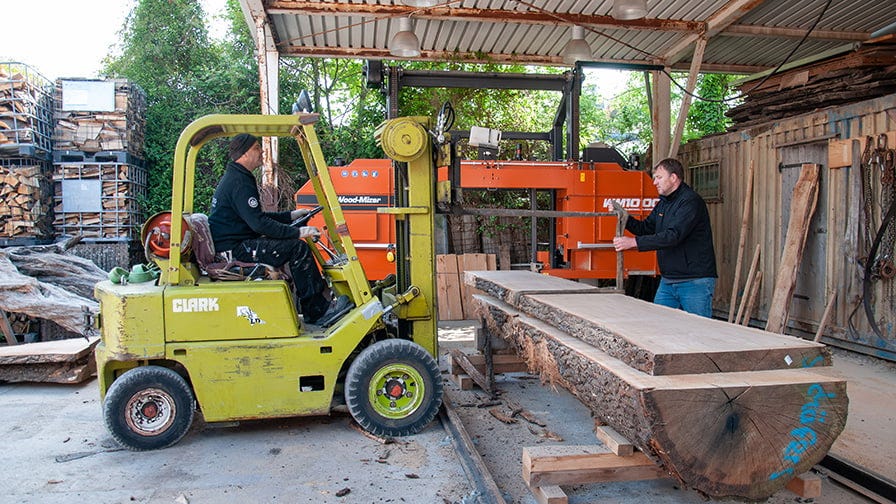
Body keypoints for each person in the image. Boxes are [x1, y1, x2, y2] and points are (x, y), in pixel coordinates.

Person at [208, 133, 352, 327]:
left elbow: (257, 217)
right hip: (236, 249)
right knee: (297, 248)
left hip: (236, 243)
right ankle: (317, 311)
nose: (262, 151)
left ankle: (314, 307)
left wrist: (292, 215)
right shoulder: (239, 182)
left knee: (293, 245)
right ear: (244, 153)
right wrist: (298, 232)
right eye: (257, 148)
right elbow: (259, 224)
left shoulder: (237, 177)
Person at [612, 158, 717, 318]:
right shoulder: (663, 203)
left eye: (659, 177)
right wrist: (624, 218)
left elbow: (673, 236)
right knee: (657, 325)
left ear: (673, 178)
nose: (654, 182)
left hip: (694, 281)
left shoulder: (690, 202)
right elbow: (646, 228)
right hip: (669, 280)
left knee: (700, 331)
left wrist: (633, 243)